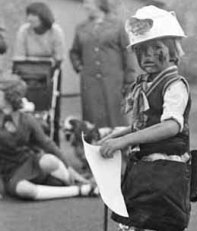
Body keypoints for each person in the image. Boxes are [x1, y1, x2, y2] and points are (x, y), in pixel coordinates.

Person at [99, 6, 197, 231]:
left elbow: (170, 126)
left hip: (166, 173)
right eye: (140, 50)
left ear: (170, 48)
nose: (146, 57)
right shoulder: (147, 83)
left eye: (154, 49)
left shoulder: (174, 84)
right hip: (140, 172)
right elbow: (143, 124)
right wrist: (116, 136)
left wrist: (126, 140)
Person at [0, 74, 98, 200]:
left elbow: (48, 144)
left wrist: (69, 168)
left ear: (10, 96)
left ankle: (77, 182)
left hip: (27, 161)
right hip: (9, 172)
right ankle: (77, 190)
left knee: (49, 160)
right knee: (25, 190)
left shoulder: (27, 120)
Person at [69, 0, 137, 128]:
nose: (85, 6)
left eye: (88, 2)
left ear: (99, 3)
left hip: (113, 82)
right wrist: (80, 68)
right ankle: (94, 147)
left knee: (117, 120)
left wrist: (129, 81)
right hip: (90, 84)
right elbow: (74, 52)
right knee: (92, 123)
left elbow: (128, 53)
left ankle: (120, 146)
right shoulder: (81, 27)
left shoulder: (118, 25)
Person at [14, 2, 66, 146]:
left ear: (43, 16)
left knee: (52, 109)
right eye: (28, 15)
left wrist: (44, 65)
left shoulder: (56, 31)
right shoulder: (23, 31)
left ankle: (53, 141)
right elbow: (19, 57)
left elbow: (59, 57)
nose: (30, 18)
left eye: (34, 15)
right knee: (26, 108)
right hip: (27, 75)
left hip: (50, 75)